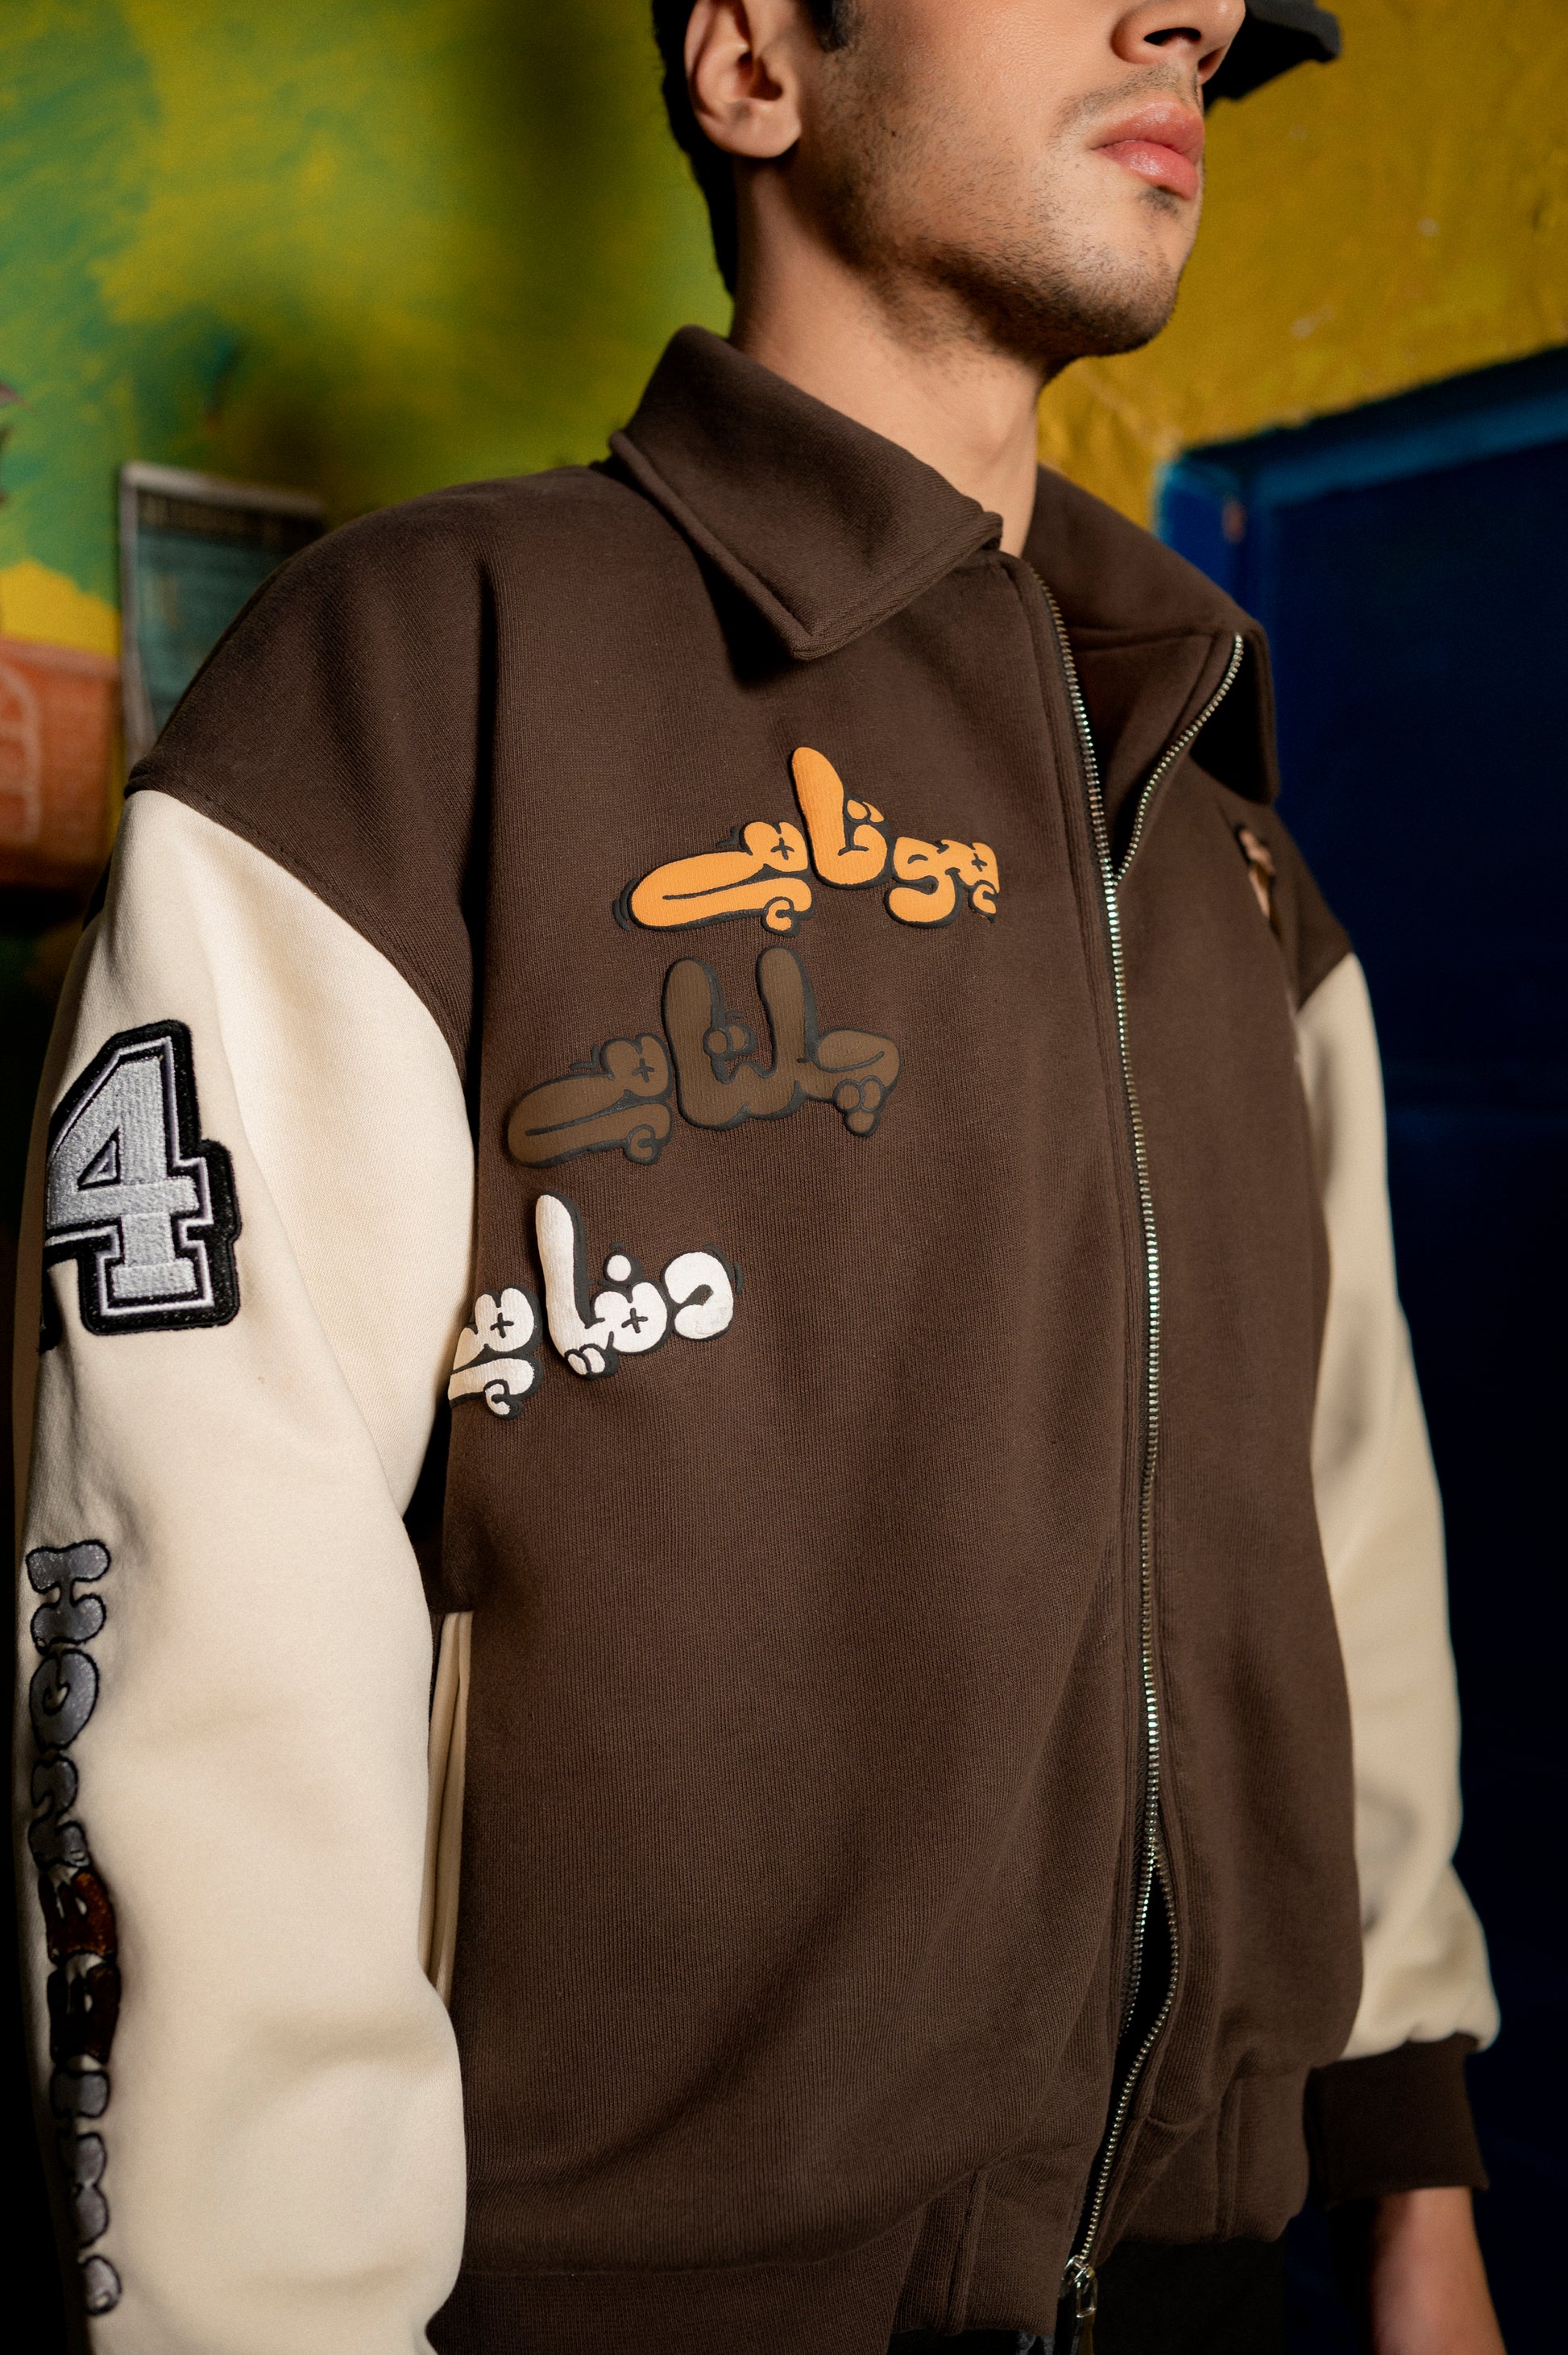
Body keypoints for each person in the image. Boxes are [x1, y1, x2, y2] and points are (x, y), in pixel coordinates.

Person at [14, 4, 1505, 2349]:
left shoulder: (1222, 841)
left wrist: (1418, 2201)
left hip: (1227, 2287)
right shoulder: (417, 681)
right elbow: (201, 1613)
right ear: (750, 64)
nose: (1193, 19)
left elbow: (1346, 1536)